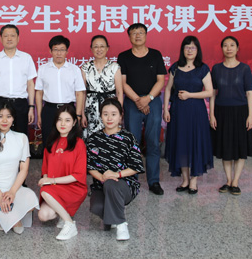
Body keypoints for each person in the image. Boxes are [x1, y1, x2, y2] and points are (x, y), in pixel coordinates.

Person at [117, 23, 167, 195]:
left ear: (146, 35)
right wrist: (139, 101)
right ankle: (132, 180)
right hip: (133, 102)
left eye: (141, 32)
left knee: (153, 142)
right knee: (133, 143)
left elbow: (161, 80)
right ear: (129, 36)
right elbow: (123, 83)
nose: (137, 36)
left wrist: (148, 99)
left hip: (153, 101)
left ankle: (153, 181)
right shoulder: (124, 56)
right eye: (134, 33)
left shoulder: (155, 55)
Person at [86, 98, 145, 241]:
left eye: (113, 114)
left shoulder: (128, 138)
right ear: (100, 116)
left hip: (125, 185)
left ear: (120, 116)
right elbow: (90, 166)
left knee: (111, 183)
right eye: (105, 114)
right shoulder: (94, 138)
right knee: (96, 207)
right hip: (101, 184)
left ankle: (121, 224)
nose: (109, 118)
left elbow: (136, 166)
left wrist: (116, 174)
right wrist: (102, 177)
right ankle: (112, 216)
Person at [0, 102, 39, 234]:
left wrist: (12, 192)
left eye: (8, 116)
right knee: (16, 226)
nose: (5, 120)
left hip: (14, 189)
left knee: (32, 201)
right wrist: (0, 196)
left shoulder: (22, 138)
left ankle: (6, 213)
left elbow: (24, 170)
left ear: (13, 118)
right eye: (0, 116)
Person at [163, 36, 214, 194]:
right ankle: (185, 180)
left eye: (193, 47)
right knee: (182, 144)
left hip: (196, 112)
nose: (190, 50)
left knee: (194, 143)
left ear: (197, 50)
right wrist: (166, 109)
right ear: (182, 50)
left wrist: (190, 95)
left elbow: (210, 92)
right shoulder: (176, 67)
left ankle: (193, 181)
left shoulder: (203, 68)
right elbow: (168, 89)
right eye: (187, 47)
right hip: (178, 111)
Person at [210, 36, 252, 196]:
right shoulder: (216, 69)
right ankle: (228, 181)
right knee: (226, 147)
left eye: (232, 45)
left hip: (241, 112)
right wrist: (211, 114)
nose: (228, 48)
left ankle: (236, 181)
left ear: (237, 48)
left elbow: (249, 93)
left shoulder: (244, 69)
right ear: (221, 48)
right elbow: (212, 93)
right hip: (221, 113)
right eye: (225, 45)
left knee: (240, 148)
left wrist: (250, 115)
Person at [37, 104, 87, 241]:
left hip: (73, 187)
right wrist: (46, 180)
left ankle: (69, 223)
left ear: (74, 122)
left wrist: (51, 181)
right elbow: (45, 170)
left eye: (67, 120)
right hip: (55, 188)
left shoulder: (78, 143)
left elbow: (78, 175)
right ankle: (64, 214)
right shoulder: (51, 142)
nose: (63, 124)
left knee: (45, 192)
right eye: (60, 120)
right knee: (43, 215)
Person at [0, 24, 37, 136]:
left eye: (12, 36)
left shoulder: (26, 58)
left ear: (18, 38)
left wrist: (31, 107)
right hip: (0, 103)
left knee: (20, 135)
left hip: (20, 104)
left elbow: (30, 84)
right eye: (6, 36)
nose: (9, 39)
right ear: (1, 39)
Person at [36, 35, 86, 146]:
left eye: (62, 50)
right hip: (49, 110)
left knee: (70, 143)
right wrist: (39, 115)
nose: (59, 53)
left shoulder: (74, 69)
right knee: (49, 142)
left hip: (69, 109)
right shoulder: (43, 69)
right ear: (50, 51)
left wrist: (78, 115)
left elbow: (79, 93)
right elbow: (39, 93)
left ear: (67, 51)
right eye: (56, 50)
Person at [81, 35, 123, 139]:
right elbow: (82, 93)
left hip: (110, 108)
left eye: (102, 46)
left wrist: (119, 112)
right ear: (91, 49)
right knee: (92, 137)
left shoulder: (115, 67)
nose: (99, 49)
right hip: (90, 109)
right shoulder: (85, 67)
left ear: (107, 48)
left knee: (111, 136)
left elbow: (119, 92)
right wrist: (82, 113)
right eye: (96, 46)